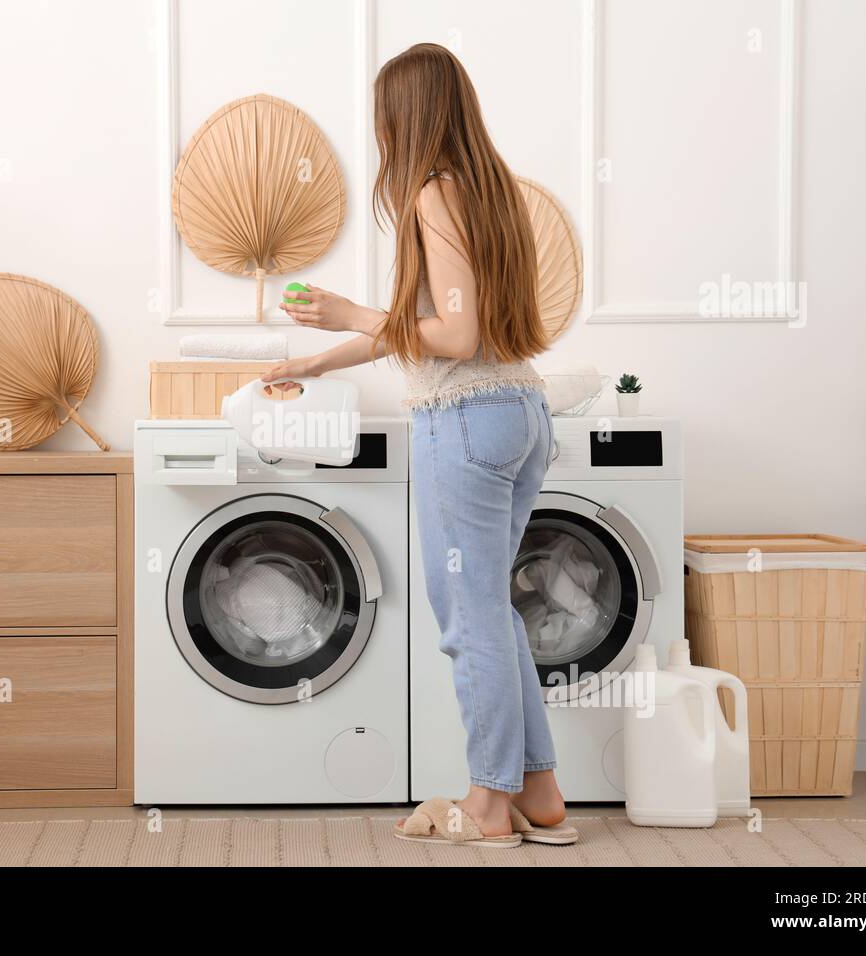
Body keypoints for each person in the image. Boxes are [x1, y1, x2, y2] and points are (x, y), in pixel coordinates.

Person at [263, 42, 577, 848]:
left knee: (466, 619)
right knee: (492, 613)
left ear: (406, 117)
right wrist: (315, 357)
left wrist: (352, 315)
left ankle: (486, 804)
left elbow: (454, 333)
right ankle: (539, 793)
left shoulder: (434, 195)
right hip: (519, 411)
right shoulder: (491, 191)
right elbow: (435, 328)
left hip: (464, 420)